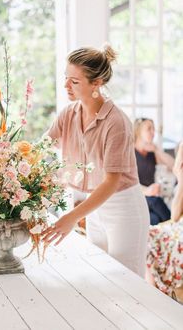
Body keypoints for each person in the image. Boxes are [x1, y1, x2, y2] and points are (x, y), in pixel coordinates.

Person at [42, 45, 150, 277]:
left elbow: (111, 182)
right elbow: (40, 150)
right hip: (93, 207)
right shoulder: (68, 114)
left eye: (74, 81)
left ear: (97, 83)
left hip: (123, 208)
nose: (66, 86)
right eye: (66, 78)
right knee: (99, 277)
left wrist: (71, 217)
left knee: (127, 282)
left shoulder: (116, 122)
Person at [146, 141, 183, 300]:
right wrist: (181, 181)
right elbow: (174, 216)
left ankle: (155, 299)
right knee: (145, 234)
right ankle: (153, 298)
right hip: (177, 225)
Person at [134, 118, 174, 225]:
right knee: (156, 201)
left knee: (155, 219)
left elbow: (174, 166)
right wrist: (146, 191)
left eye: (154, 129)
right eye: (149, 129)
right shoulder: (130, 153)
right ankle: (174, 224)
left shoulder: (152, 153)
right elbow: (125, 182)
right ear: (138, 131)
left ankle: (172, 230)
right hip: (137, 197)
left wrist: (156, 150)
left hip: (150, 199)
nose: (153, 132)